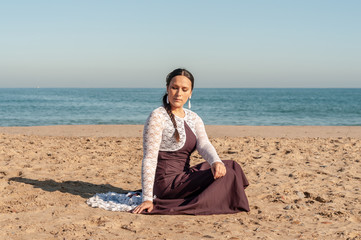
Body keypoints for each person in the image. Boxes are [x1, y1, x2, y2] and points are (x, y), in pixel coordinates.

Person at [132, 68, 249, 215]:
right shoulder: (157, 116)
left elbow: (204, 144)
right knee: (229, 175)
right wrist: (148, 198)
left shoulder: (193, 117)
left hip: (184, 176)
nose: (179, 93)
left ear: (190, 93)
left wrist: (215, 161)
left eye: (184, 89)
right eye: (174, 88)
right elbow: (149, 158)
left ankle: (226, 193)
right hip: (167, 184)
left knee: (231, 165)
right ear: (167, 89)